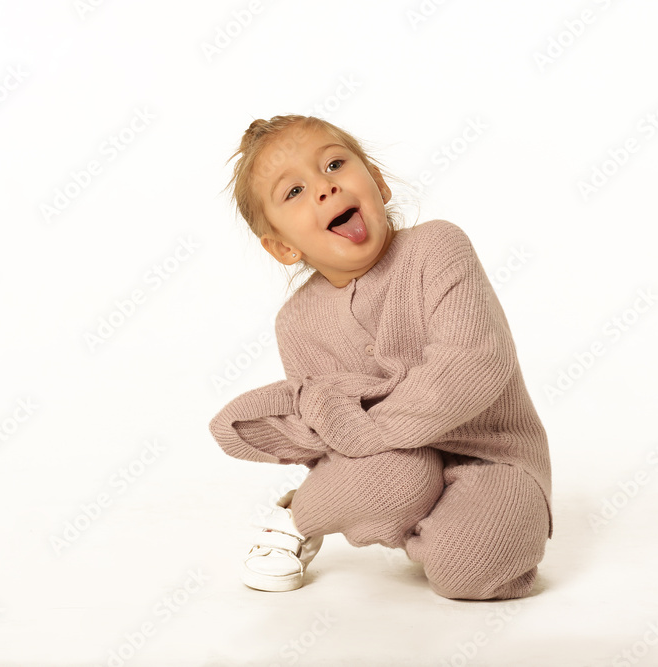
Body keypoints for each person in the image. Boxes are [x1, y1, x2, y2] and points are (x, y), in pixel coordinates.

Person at [208, 114, 552, 600]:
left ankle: (436, 526)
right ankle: (300, 517)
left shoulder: (437, 247)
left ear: (378, 183)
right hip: (394, 463)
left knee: (473, 569)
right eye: (295, 191)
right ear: (283, 247)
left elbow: (472, 365)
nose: (325, 188)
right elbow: (334, 440)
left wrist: (358, 423)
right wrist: (348, 435)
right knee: (397, 479)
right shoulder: (297, 323)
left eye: (334, 165)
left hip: (494, 455)